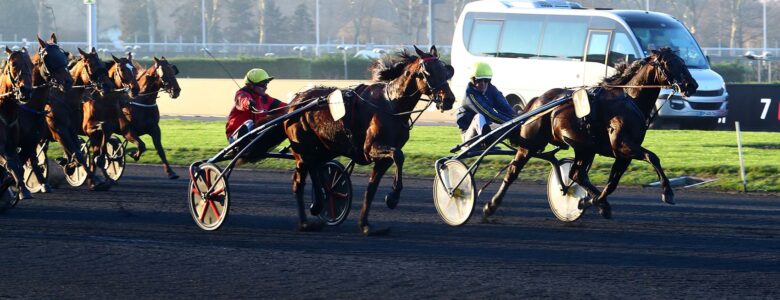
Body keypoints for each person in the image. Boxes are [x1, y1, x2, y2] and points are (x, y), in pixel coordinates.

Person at [455, 62, 516, 145]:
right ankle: (487, 142)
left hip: (485, 132)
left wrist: (517, 119)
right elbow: (488, 113)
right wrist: (511, 123)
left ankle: (489, 141)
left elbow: (505, 108)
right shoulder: (470, 96)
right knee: (479, 117)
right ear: (473, 80)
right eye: (479, 80)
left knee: (513, 122)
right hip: (469, 138)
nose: (483, 83)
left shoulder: (492, 89)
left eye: (486, 80)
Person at [225, 68, 287, 143]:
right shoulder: (242, 94)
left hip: (255, 134)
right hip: (235, 137)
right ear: (251, 85)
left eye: (266, 84)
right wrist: (249, 103)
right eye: (263, 85)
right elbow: (242, 100)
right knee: (249, 123)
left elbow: (284, 107)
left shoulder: (265, 98)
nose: (266, 87)